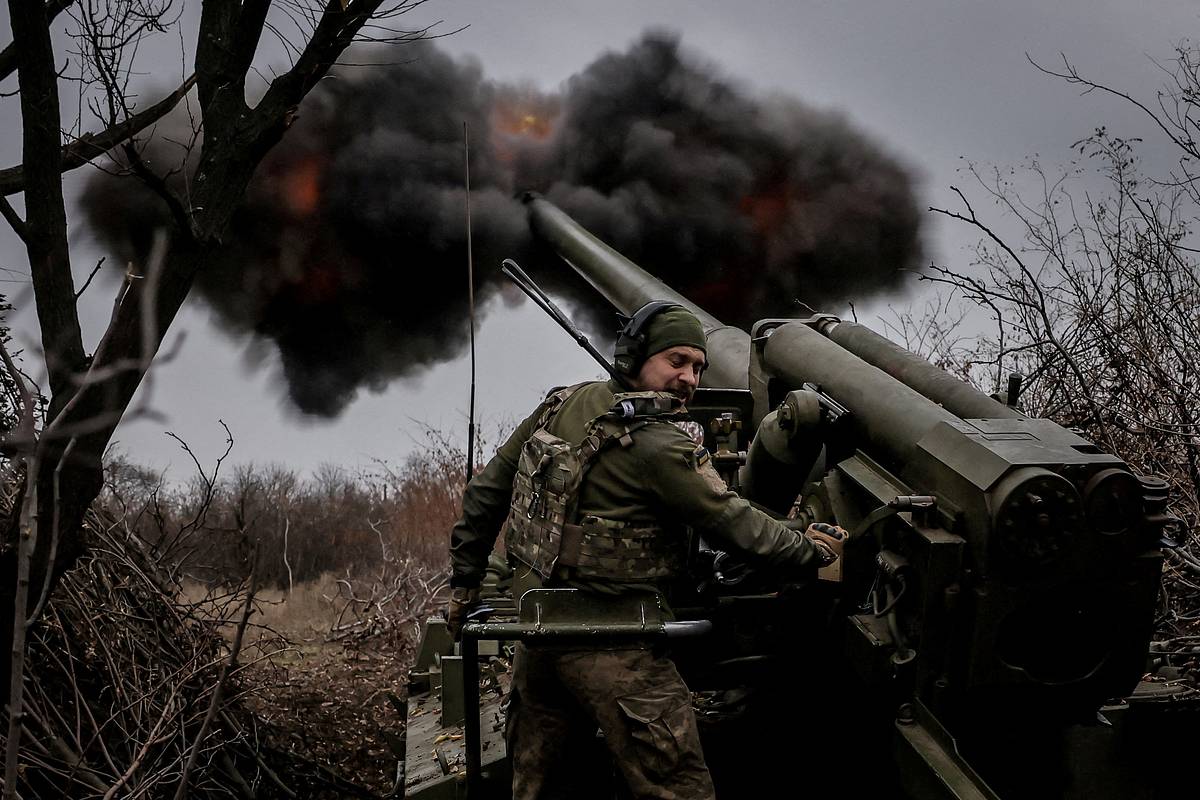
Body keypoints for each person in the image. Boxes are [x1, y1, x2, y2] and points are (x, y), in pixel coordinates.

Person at [446, 301, 845, 800]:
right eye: (675, 361)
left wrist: (464, 582)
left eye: (698, 367)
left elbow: (486, 492)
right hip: (617, 645)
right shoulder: (659, 445)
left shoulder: (560, 404)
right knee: (678, 788)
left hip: (539, 636)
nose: (689, 379)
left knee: (539, 786)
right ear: (634, 357)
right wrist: (810, 550)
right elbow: (735, 525)